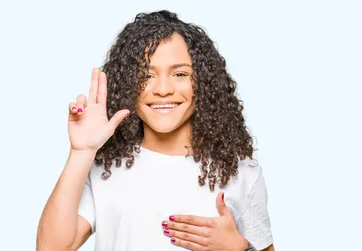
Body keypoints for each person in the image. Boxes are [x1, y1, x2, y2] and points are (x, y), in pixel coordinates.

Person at [36, 10, 274, 251]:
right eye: (146, 75)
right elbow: (50, 248)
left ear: (204, 82)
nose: (162, 89)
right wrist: (81, 151)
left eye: (180, 74)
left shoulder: (240, 172)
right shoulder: (105, 167)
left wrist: (240, 248)